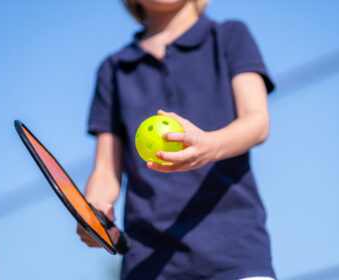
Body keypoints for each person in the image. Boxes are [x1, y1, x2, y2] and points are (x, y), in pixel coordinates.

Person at [77, 0, 276, 279]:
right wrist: (95, 211)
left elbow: (257, 122)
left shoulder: (230, 36)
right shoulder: (114, 69)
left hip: (235, 255)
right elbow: (105, 171)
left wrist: (209, 146)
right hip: (147, 265)